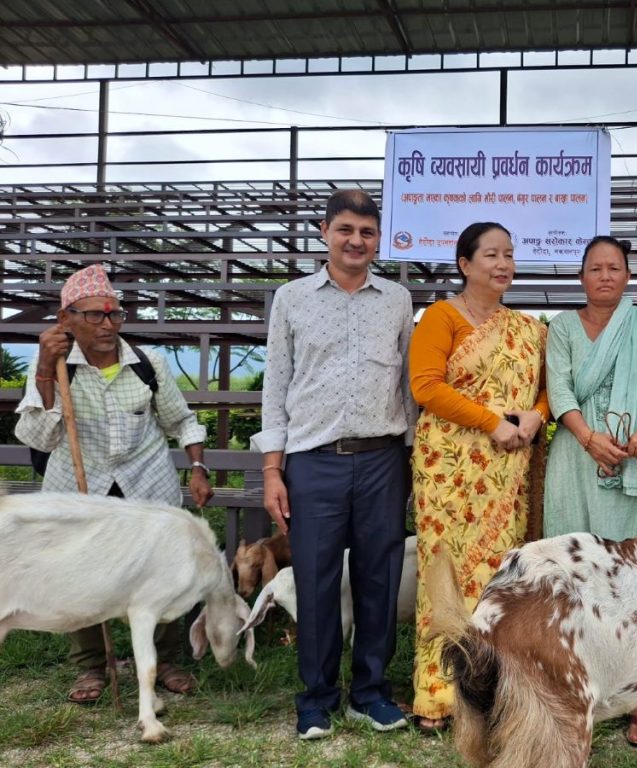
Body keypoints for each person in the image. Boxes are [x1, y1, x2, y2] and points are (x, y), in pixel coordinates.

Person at [252, 190, 416, 740]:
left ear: (378, 239)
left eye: (367, 232)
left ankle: (370, 694)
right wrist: (272, 470)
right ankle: (316, 699)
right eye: (345, 229)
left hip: (382, 459)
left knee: (379, 579)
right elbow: (276, 386)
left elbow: (407, 387)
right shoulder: (292, 298)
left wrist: (412, 461)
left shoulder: (396, 300)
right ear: (324, 232)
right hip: (312, 461)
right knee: (317, 580)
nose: (355, 241)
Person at [15, 263, 212, 704]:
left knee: (161, 570)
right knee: (78, 574)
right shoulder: (54, 365)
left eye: (114, 314)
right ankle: (91, 666)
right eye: (94, 315)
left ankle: (167, 660)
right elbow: (39, 437)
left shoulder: (147, 364)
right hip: (78, 487)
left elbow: (181, 421)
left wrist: (198, 467)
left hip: (146, 483)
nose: (108, 325)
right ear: (65, 320)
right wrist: (45, 369)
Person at [408, 221, 548, 731]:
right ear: (465, 264)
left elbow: (548, 391)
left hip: (507, 471)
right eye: (491, 254)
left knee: (500, 577)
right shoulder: (441, 317)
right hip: (449, 472)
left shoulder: (530, 328)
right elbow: (426, 387)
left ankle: (493, 691)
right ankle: (438, 694)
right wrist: (492, 422)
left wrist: (535, 416)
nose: (503, 264)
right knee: (444, 575)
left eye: (509, 254)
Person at [542, 235, 637, 747]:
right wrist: (589, 438)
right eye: (595, 268)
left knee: (636, 578)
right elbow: (559, 391)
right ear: (582, 277)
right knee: (576, 578)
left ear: (627, 276)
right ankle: (576, 690)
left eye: (614, 268)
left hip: (636, 456)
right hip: (577, 461)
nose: (605, 276)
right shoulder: (562, 327)